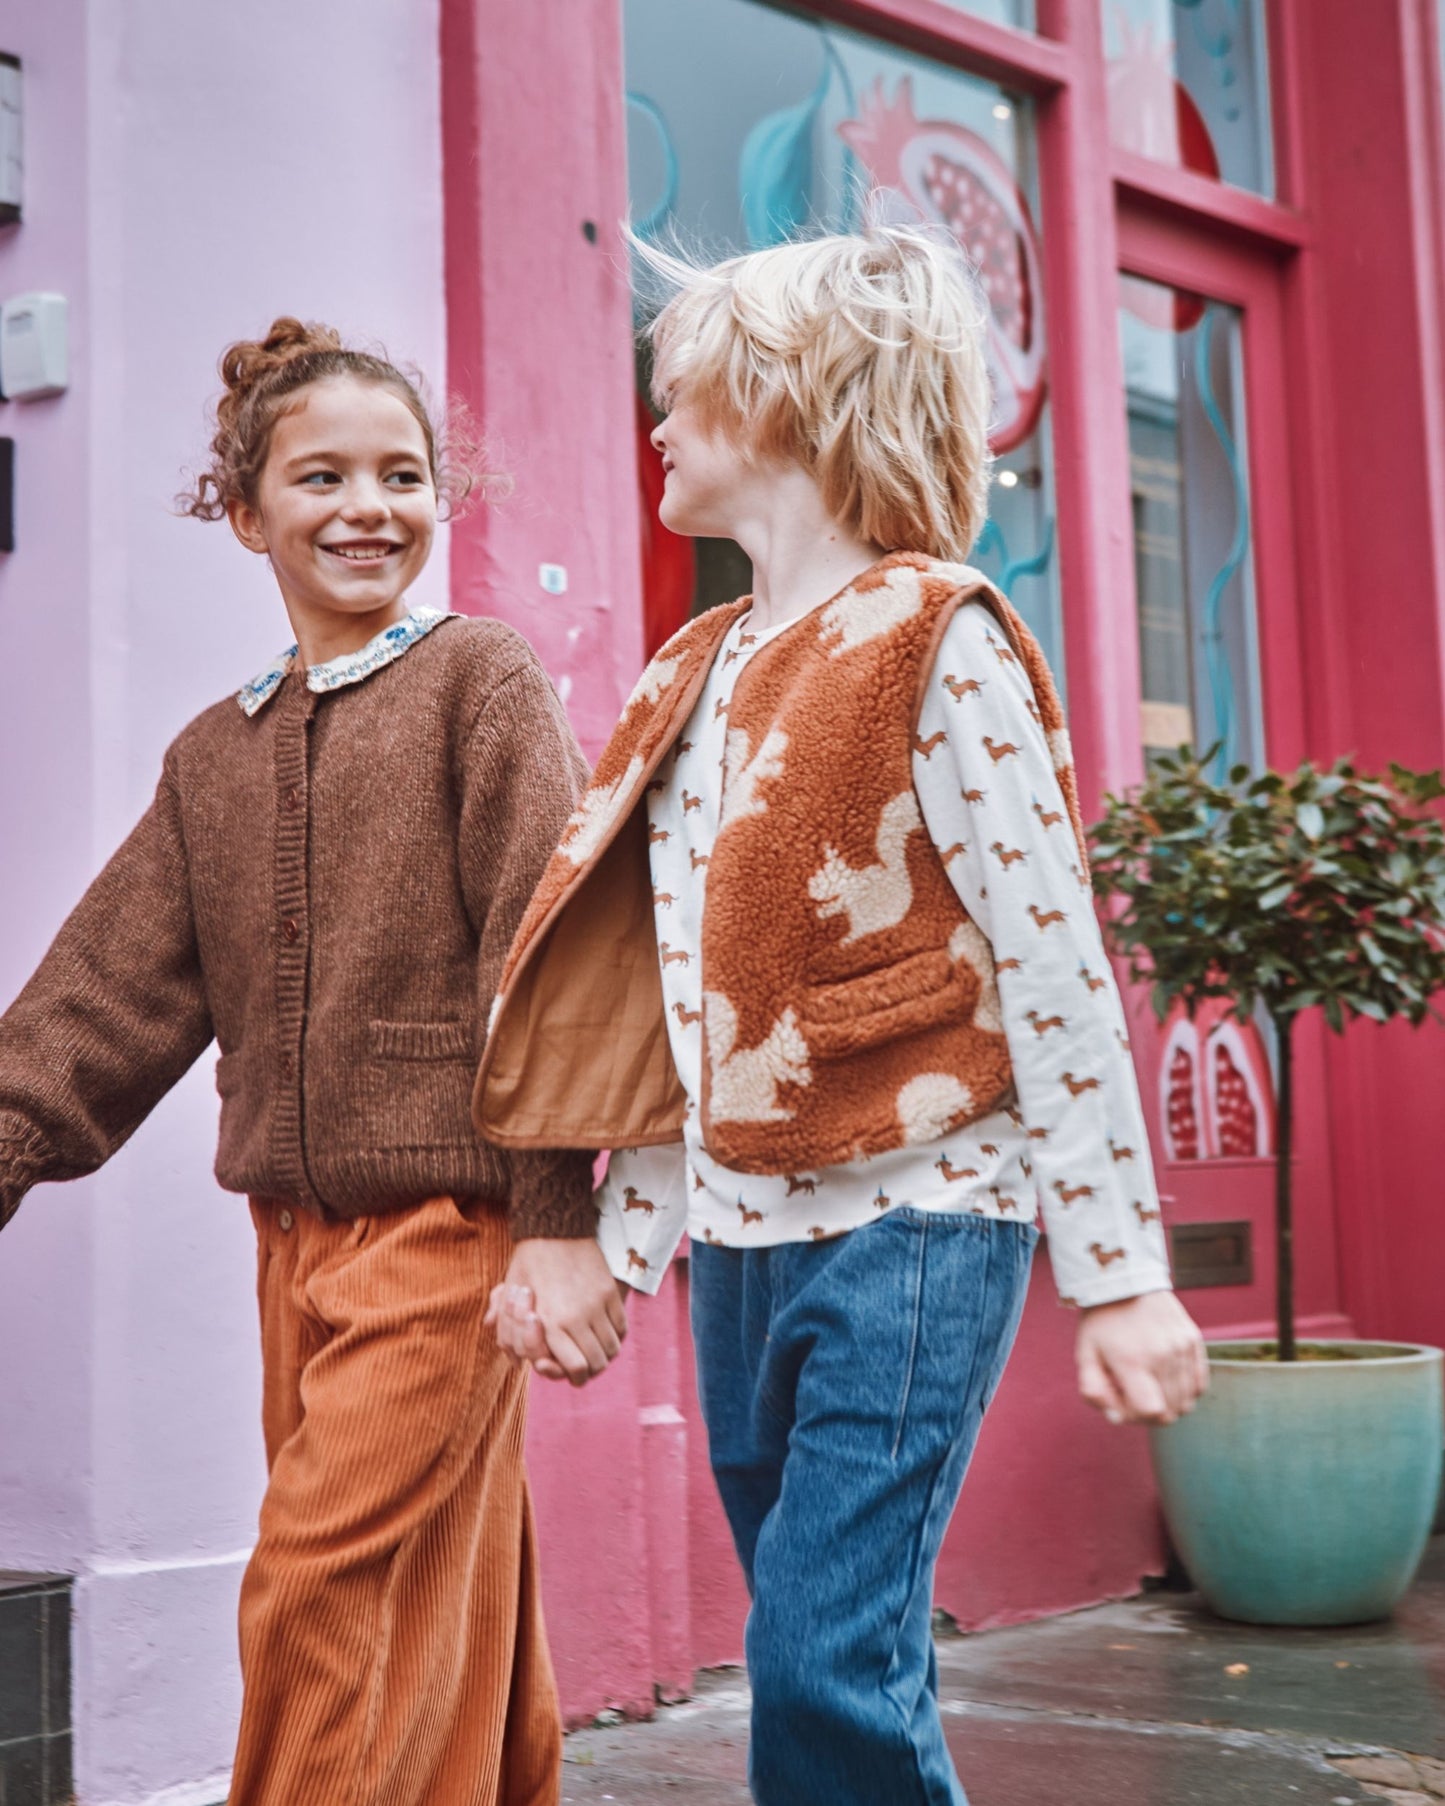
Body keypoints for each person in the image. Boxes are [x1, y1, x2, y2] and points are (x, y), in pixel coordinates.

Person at [479, 227, 1209, 1806]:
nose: (654, 421)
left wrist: (1117, 1272)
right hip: (742, 1248)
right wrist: (618, 1242)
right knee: (833, 1653)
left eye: (681, 389)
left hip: (919, 1222)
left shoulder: (938, 637)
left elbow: (1053, 966)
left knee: (820, 1661)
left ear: (790, 398)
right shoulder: (692, 668)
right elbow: (680, 1000)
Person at [0, 318, 602, 1805]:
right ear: (246, 509)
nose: (367, 507)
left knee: (317, 1591)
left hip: (450, 1233)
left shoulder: (479, 680)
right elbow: (103, 996)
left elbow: (546, 952)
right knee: (445, 1588)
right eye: (321, 476)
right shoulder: (217, 754)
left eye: (401, 474)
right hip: (291, 1246)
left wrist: (554, 1214)